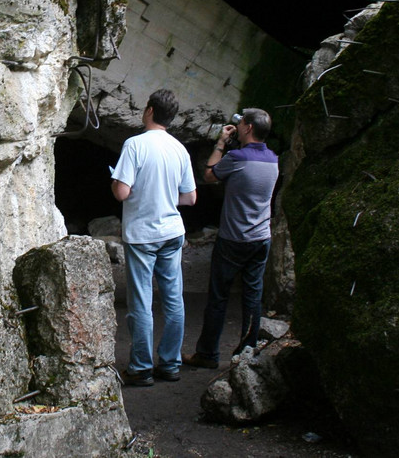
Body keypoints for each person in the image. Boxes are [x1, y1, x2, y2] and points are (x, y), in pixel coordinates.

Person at [111, 89, 197, 386]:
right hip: (172, 232)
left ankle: (141, 368)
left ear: (149, 110)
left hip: (142, 235)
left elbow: (122, 192)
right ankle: (170, 364)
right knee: (174, 300)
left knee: (141, 302)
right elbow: (190, 198)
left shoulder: (134, 145)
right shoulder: (179, 149)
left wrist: (119, 184)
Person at [184, 108, 279, 369]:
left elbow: (210, 174)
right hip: (261, 238)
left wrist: (222, 142)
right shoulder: (273, 158)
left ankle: (207, 354)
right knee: (252, 295)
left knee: (218, 297)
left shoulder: (237, 157)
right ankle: (247, 354)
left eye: (242, 122)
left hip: (233, 239)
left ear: (247, 128)